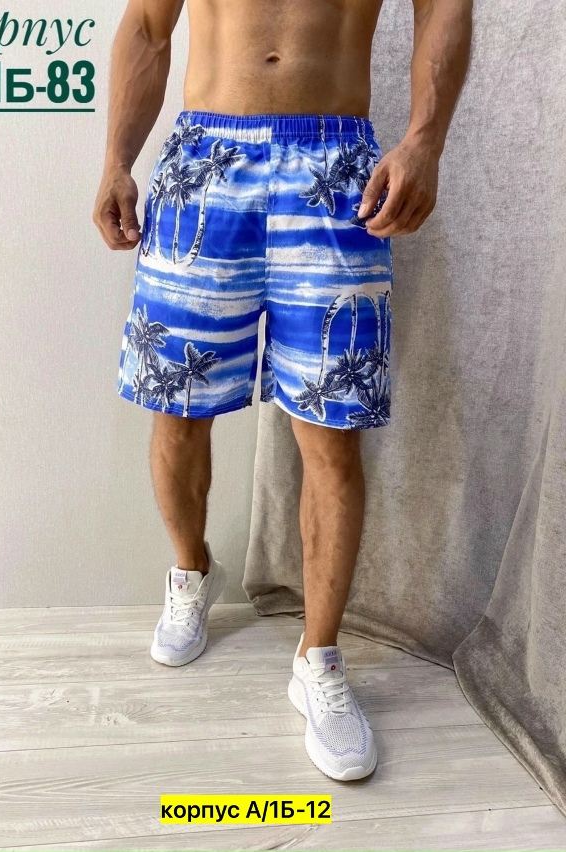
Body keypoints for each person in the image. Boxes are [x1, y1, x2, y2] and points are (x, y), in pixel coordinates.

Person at [93, 0, 472, 782]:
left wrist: (425, 141)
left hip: (334, 170)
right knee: (178, 405)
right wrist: (115, 161)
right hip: (205, 164)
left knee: (332, 432)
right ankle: (191, 572)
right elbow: (148, 27)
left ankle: (319, 660)